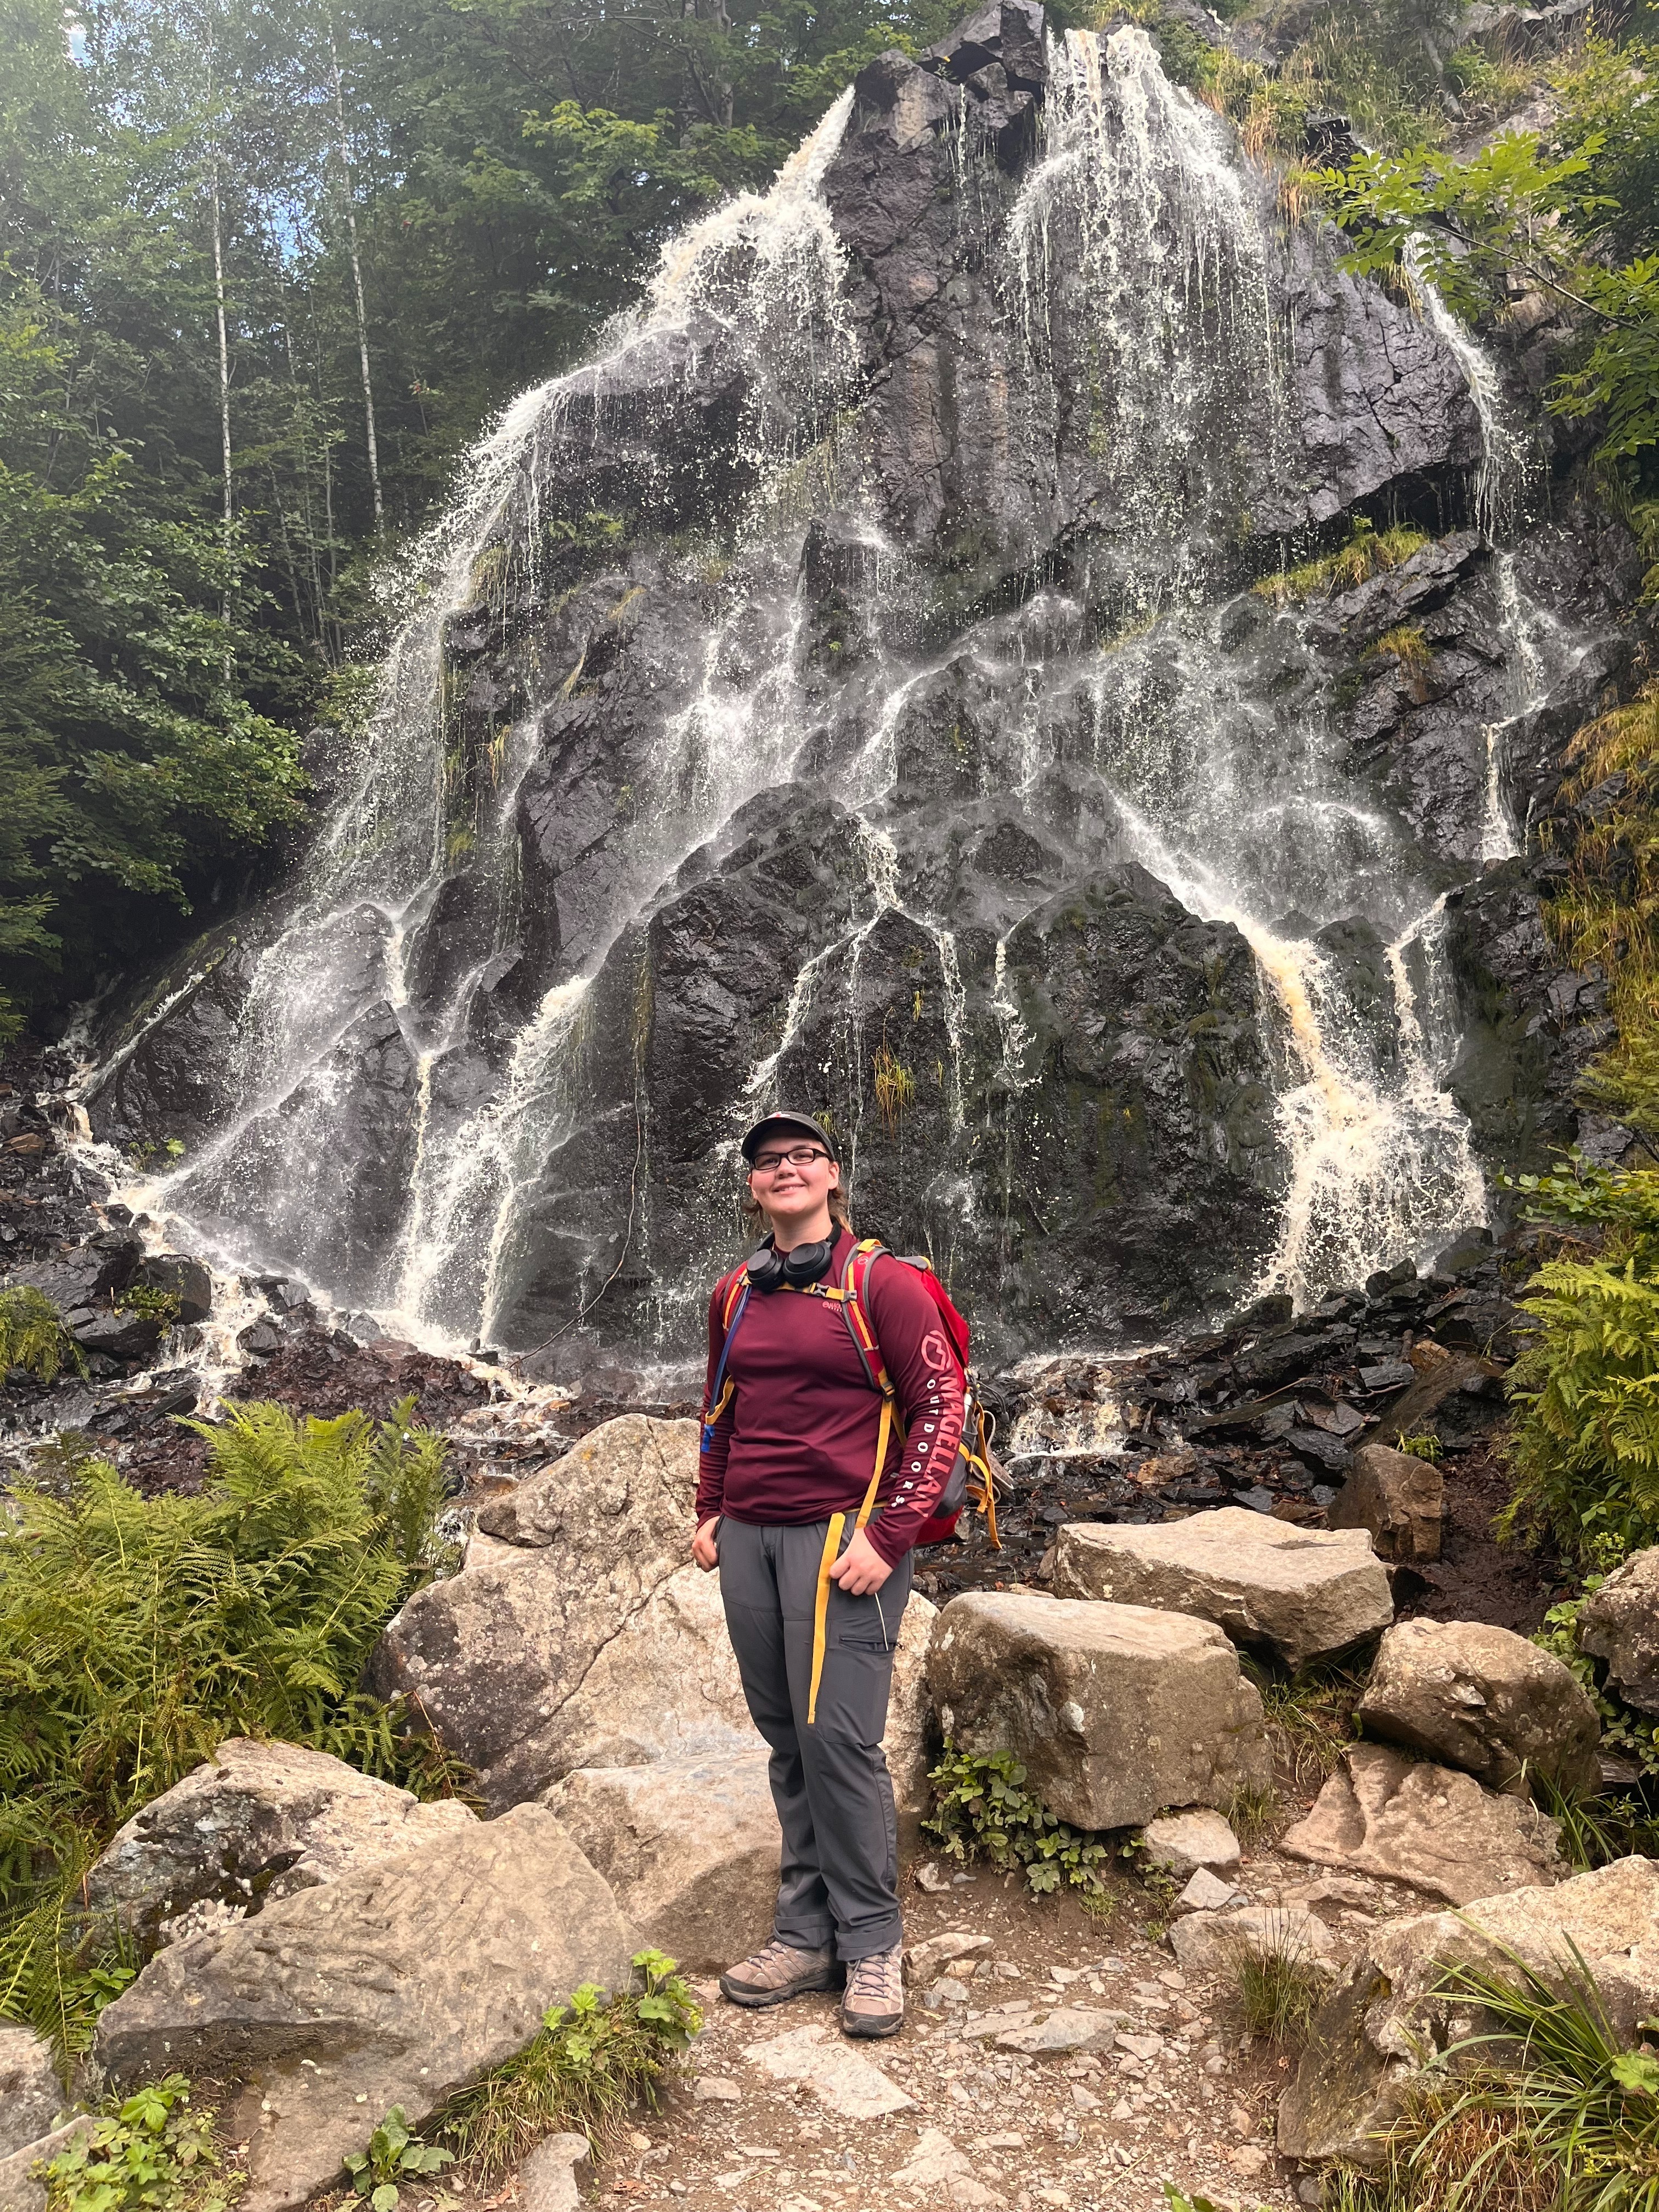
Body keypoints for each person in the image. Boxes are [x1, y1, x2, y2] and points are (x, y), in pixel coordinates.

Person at [692, 1109, 966, 2039]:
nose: (787, 1170)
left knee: (839, 1740)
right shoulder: (736, 1292)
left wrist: (890, 1538)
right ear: (752, 1187)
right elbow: (720, 1409)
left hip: (846, 1540)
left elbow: (939, 1407)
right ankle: (804, 1932)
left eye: (803, 1157)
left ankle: (873, 1941)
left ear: (835, 1176)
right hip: (752, 1539)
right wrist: (710, 1508)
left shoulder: (883, 1283)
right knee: (786, 1737)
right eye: (769, 1162)